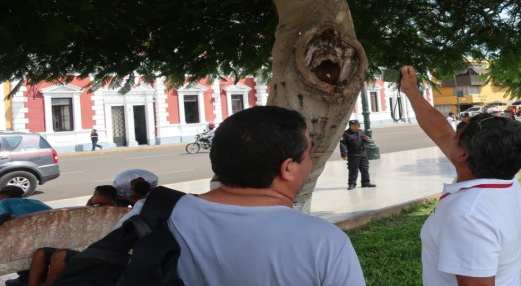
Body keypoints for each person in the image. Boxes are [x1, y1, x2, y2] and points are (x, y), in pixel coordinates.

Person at [115, 106, 366, 285]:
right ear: (288, 168)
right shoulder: (324, 242)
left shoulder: (150, 214)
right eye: (309, 155)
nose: (310, 164)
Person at [399, 66, 521, 286]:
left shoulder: (468, 215)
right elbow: (442, 131)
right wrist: (412, 92)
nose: (450, 136)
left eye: (458, 134)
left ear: (464, 153)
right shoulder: (504, 178)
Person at [339, 120, 377, 190]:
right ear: (351, 126)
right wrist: (344, 154)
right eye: (355, 125)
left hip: (363, 153)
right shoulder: (346, 134)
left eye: (358, 125)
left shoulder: (360, 132)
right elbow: (343, 144)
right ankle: (352, 184)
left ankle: (365, 182)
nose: (357, 127)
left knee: (365, 169)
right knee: (353, 170)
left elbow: (364, 139)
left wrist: (367, 139)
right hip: (353, 154)